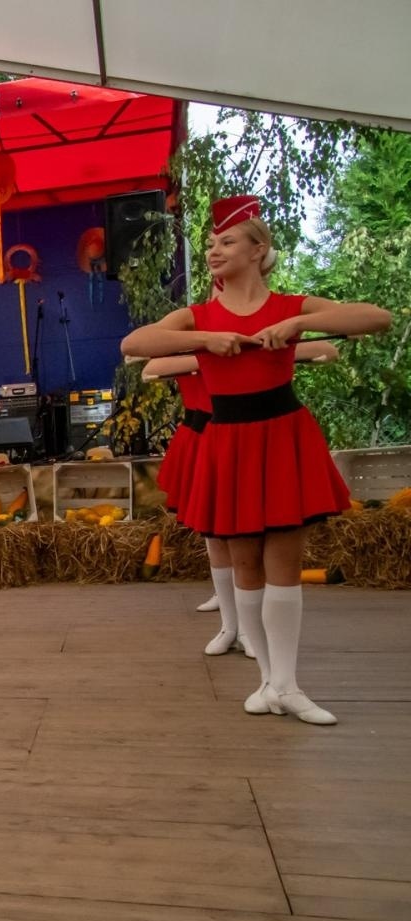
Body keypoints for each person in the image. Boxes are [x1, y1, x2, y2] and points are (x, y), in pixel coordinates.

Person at [121, 195, 390, 725]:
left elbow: (375, 317)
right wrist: (205, 339)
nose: (214, 251)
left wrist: (296, 329)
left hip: (283, 436)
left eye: (226, 241)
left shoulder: (290, 305)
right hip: (230, 441)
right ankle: (267, 680)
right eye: (211, 244)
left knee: (284, 565)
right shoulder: (199, 315)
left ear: (258, 248)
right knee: (244, 565)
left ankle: (287, 685)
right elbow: (137, 342)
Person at [143, 341, 340, 659]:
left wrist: (258, 350)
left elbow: (327, 349)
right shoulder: (191, 343)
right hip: (204, 435)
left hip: (249, 437)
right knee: (216, 534)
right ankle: (230, 625)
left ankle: (251, 630)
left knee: (257, 536)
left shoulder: (258, 339)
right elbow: (151, 367)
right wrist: (209, 353)